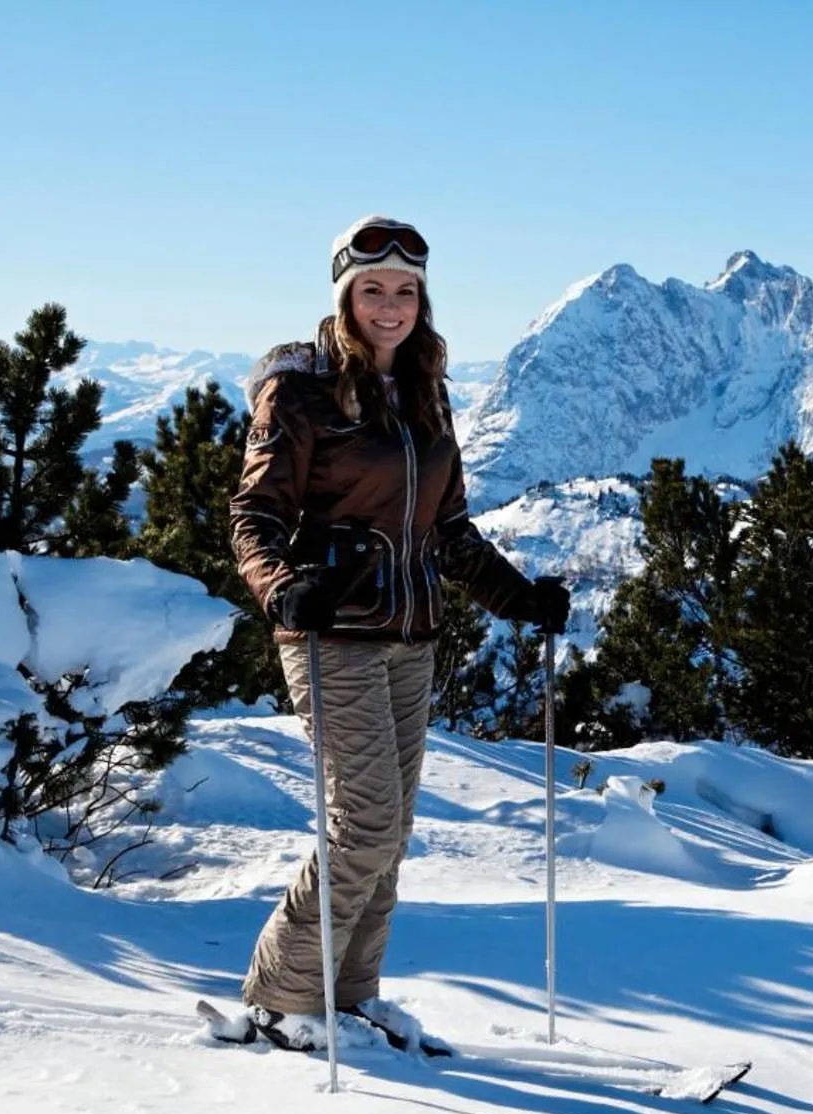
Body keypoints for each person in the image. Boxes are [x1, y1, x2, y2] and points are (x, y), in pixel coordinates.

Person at [228, 214, 570, 1049]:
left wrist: (520, 598)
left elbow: (448, 530)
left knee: (393, 835)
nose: (391, 305)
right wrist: (281, 588)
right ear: (345, 294)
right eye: (373, 290)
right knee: (365, 824)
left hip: (411, 635)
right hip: (331, 631)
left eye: (406, 291)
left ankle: (348, 996)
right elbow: (254, 514)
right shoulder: (299, 388)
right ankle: (281, 995)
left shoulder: (423, 387)